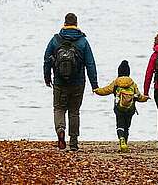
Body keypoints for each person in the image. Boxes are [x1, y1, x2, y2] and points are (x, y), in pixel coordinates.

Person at [43, 13, 99, 151]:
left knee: (59, 108)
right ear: (76, 24)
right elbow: (90, 63)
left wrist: (47, 77)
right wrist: (94, 84)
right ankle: (73, 142)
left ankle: (60, 130)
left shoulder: (55, 40)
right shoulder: (83, 41)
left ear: (65, 23)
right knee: (74, 111)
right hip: (78, 82)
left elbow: (46, 60)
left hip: (59, 82)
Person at [94, 60, 148, 152]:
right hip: (130, 108)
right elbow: (139, 96)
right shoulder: (132, 83)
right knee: (127, 126)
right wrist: (146, 98)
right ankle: (125, 143)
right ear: (128, 72)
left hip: (119, 108)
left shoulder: (116, 82)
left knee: (120, 124)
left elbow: (106, 90)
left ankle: (121, 139)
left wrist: (96, 90)